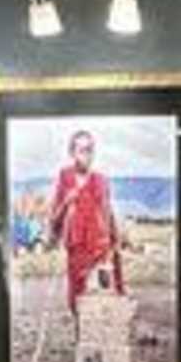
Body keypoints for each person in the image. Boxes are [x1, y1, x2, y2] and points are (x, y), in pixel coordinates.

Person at [46, 130, 123, 307]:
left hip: (100, 245)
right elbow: (55, 214)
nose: (86, 155)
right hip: (77, 245)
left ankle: (104, 329)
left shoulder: (101, 180)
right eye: (81, 150)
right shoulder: (65, 176)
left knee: (105, 295)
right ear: (72, 153)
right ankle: (81, 329)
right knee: (77, 296)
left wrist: (114, 241)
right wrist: (66, 202)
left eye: (89, 150)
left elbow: (108, 212)